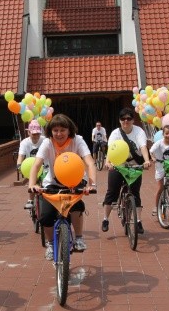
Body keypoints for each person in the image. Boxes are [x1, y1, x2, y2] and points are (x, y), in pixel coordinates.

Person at [28, 114, 97, 260]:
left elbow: (90, 163)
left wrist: (92, 185)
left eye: (62, 130)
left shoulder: (77, 141)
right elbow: (36, 165)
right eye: (55, 130)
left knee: (77, 206)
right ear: (50, 132)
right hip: (52, 184)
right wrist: (32, 184)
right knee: (46, 216)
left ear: (69, 130)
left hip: (75, 181)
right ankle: (51, 244)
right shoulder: (47, 143)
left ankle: (78, 238)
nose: (59, 134)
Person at [101, 107, 152, 234]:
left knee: (135, 193)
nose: (126, 121)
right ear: (119, 120)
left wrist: (146, 160)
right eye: (123, 119)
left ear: (133, 120)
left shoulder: (139, 131)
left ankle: (138, 221)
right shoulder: (115, 133)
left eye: (129, 119)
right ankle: (105, 219)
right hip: (118, 165)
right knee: (112, 193)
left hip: (134, 166)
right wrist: (108, 162)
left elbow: (143, 147)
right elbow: (111, 150)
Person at [16, 120, 46, 209]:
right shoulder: (24, 143)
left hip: (44, 165)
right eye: (33, 134)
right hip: (31, 166)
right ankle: (31, 200)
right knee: (33, 179)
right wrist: (19, 166)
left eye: (38, 134)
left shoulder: (45, 140)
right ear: (28, 132)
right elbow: (20, 156)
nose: (36, 136)